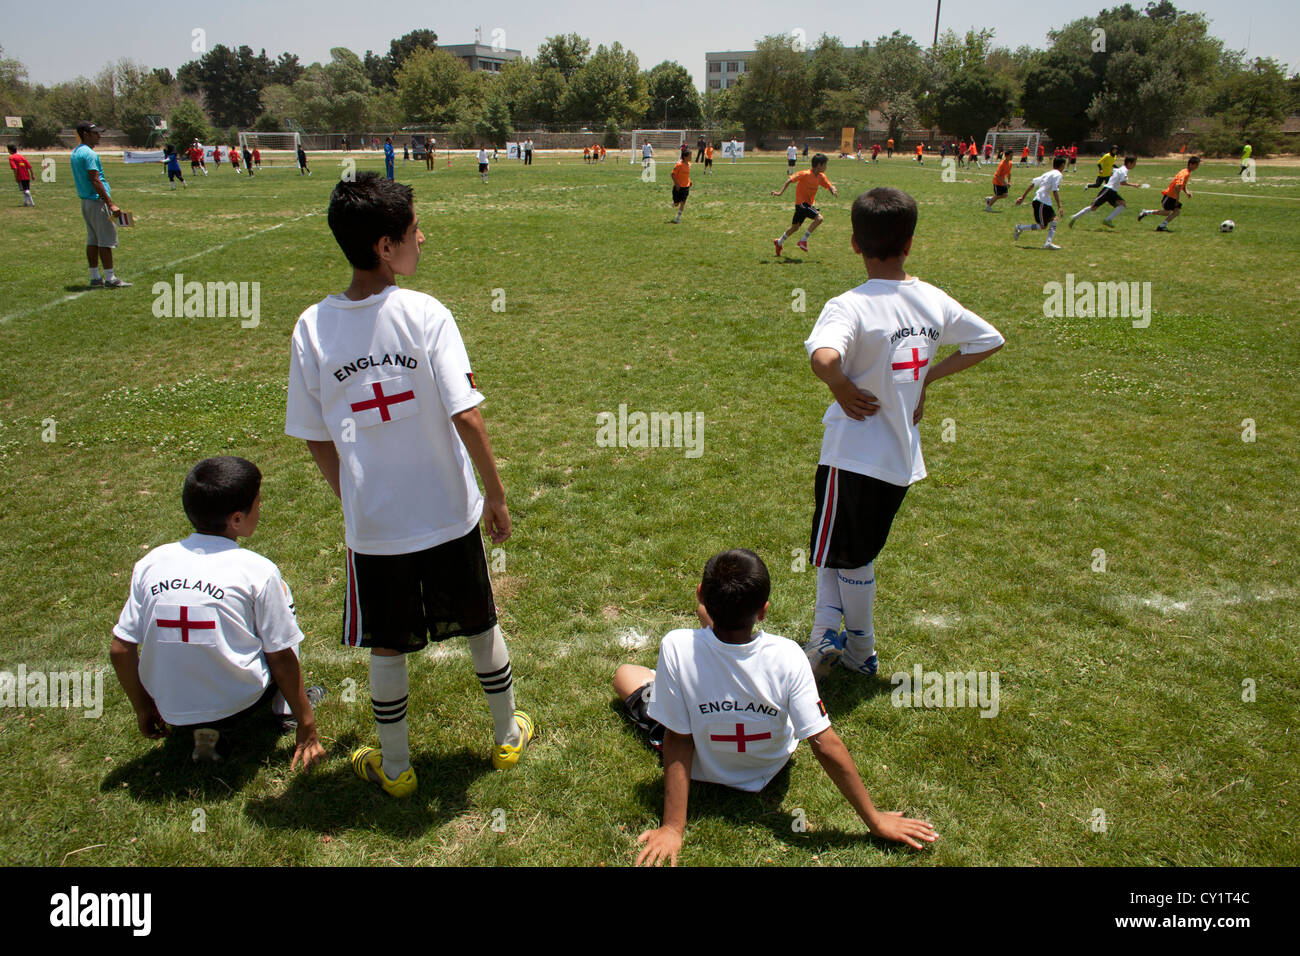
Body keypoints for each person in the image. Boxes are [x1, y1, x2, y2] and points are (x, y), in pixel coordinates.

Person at [285, 173, 532, 797]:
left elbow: (313, 433)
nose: (424, 237)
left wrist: (354, 496)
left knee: (386, 644)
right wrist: (496, 496)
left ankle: (396, 767)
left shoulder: (312, 327)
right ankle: (506, 735)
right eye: (414, 230)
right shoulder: (425, 313)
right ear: (385, 247)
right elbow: (467, 414)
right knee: (480, 620)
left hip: (377, 526)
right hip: (449, 509)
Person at [620, 549, 940, 866]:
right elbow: (824, 744)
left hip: (706, 761)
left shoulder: (675, 646)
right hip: (769, 766)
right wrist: (875, 820)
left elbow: (679, 738)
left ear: (701, 595)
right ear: (763, 611)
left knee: (625, 675)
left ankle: (669, 676)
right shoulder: (788, 656)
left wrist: (673, 828)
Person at [802, 187, 1003, 677]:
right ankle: (833, 633)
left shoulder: (849, 304)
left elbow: (823, 358)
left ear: (853, 243)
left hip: (852, 452)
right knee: (847, 546)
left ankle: (850, 645)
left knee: (846, 553)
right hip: (900, 458)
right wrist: (924, 377)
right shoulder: (931, 298)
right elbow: (989, 340)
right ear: (909, 243)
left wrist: (841, 388)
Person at [110, 456, 326, 767]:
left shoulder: (151, 563)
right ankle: (287, 712)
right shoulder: (258, 571)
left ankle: (201, 731)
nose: (261, 508)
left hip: (170, 709)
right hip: (240, 704)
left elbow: (120, 649)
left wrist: (145, 707)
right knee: (281, 613)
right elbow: (280, 656)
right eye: (258, 503)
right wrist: (308, 726)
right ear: (236, 519)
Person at [71, 121, 130, 288]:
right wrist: (110, 204)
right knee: (106, 240)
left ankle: (95, 277)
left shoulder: (76, 152)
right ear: (85, 134)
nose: (99, 136)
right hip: (97, 201)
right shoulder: (89, 154)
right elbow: (95, 180)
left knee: (93, 240)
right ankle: (110, 279)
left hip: (86, 202)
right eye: (95, 133)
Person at [771, 152, 837, 256]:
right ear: (819, 165)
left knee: (795, 227)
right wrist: (779, 193)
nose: (826, 167)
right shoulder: (805, 174)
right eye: (825, 165)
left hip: (806, 205)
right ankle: (803, 240)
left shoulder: (821, 177)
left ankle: (779, 242)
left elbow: (828, 185)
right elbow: (790, 180)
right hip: (802, 204)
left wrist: (833, 190)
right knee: (819, 219)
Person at [1013, 154, 1067, 250]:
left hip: (1042, 201)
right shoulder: (1058, 174)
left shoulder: (1048, 173)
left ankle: (1048, 243)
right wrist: (1060, 206)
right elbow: (1055, 191)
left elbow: (1033, 184)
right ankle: (1020, 228)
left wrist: (1023, 197)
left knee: (1054, 220)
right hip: (1041, 201)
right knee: (1042, 226)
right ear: (1062, 165)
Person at [1069, 155, 1138, 229]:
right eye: (1134, 163)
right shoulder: (1123, 170)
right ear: (1129, 163)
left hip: (1112, 192)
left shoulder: (1120, 169)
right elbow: (1122, 182)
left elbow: (1113, 173)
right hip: (1108, 190)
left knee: (1122, 204)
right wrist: (1134, 185)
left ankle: (1108, 220)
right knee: (1093, 207)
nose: (1134, 165)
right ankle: (1074, 217)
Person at [1138, 155, 1199, 232]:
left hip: (1172, 196)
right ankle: (1148, 214)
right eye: (1196, 165)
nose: (1197, 167)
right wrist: (1177, 198)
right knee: (1168, 212)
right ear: (1191, 164)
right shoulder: (1185, 173)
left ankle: (1160, 224)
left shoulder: (1186, 172)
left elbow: (1182, 185)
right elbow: (1177, 186)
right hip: (1170, 196)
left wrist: (1186, 192)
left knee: (1175, 211)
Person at [670, 152, 691, 223]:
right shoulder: (679, 165)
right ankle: (675, 202)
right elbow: (672, 174)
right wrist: (676, 184)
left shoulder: (689, 165)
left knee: (683, 202)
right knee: (676, 204)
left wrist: (689, 181)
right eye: (689, 156)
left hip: (686, 187)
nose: (691, 157)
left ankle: (678, 218)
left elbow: (686, 175)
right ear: (685, 157)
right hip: (678, 187)